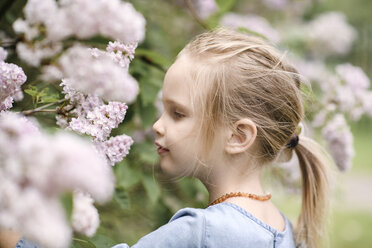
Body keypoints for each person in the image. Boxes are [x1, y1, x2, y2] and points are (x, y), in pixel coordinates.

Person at [12, 27, 331, 248]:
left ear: (238, 136)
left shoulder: (199, 232)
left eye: (178, 113)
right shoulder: (282, 230)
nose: (157, 126)